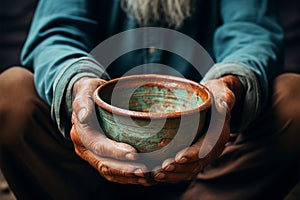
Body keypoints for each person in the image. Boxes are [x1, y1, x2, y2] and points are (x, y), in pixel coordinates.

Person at [0, 0, 299, 199]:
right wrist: (78, 88)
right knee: (10, 93)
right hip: (86, 169)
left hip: (210, 161)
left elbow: (251, 32)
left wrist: (227, 89)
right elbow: (56, 33)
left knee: (293, 99)